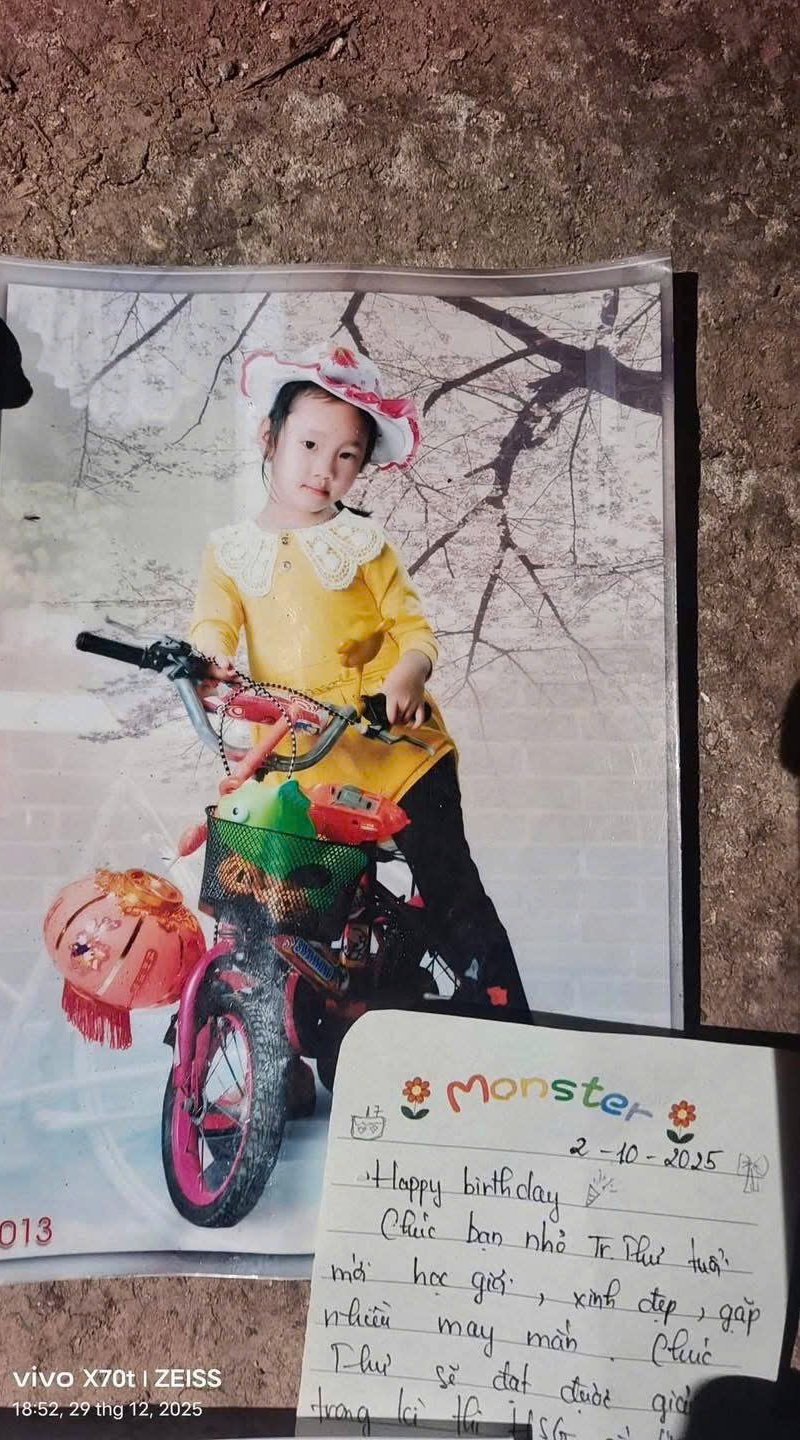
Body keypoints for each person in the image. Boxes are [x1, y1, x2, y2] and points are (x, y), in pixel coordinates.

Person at [190, 343, 529, 1103]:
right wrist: (210, 661)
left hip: (388, 743)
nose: (324, 468)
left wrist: (408, 673)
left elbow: (413, 629)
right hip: (295, 750)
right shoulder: (229, 551)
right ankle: (275, 1060)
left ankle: (510, 1043)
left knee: (450, 887)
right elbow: (214, 625)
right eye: (310, 445)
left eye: (346, 456)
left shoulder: (363, 544)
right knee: (266, 903)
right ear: (270, 438)